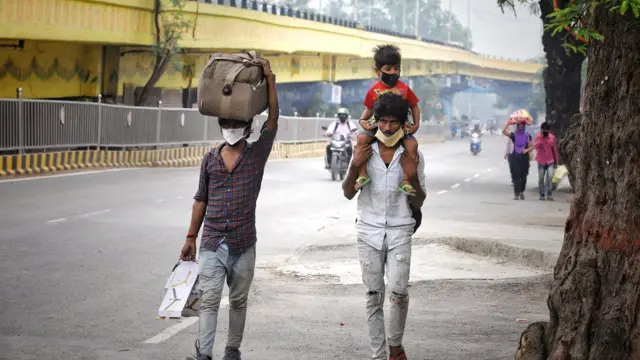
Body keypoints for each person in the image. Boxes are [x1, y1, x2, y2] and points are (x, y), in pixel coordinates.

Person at [180, 58, 279, 360]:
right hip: (212, 241)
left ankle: (232, 351)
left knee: (238, 301)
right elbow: (200, 199)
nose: (231, 129)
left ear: (248, 127)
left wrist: (271, 81)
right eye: (227, 124)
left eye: (236, 124)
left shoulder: (256, 155)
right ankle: (204, 355)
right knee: (209, 301)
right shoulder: (210, 159)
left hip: (243, 243)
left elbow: (273, 120)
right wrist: (190, 237)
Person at [342, 93, 427, 360]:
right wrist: (355, 165)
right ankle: (378, 355)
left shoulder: (412, 153)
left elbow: (419, 200)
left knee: (399, 291)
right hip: (368, 230)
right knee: (373, 294)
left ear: (403, 124)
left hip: (401, 230)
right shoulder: (364, 150)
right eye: (383, 122)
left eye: (394, 122)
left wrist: (412, 175)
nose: (388, 128)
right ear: (376, 121)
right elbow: (347, 192)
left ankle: (395, 346)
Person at [355, 44, 421, 196]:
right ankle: (362, 174)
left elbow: (414, 106)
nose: (393, 72)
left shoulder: (405, 89)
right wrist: (363, 121)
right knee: (361, 139)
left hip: (401, 127)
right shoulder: (373, 90)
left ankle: (405, 180)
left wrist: (415, 124)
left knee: (412, 145)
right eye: (388, 69)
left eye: (396, 69)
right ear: (378, 71)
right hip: (378, 127)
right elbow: (369, 109)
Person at [502, 120, 533, 200]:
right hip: (515, 157)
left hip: (524, 158)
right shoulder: (513, 135)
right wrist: (508, 123)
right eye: (519, 124)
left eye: (522, 124)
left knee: (524, 176)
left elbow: (532, 146)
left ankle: (522, 191)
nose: (521, 125)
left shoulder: (528, 135)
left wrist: (527, 150)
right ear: (517, 125)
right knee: (516, 175)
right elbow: (504, 132)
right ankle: (516, 194)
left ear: (524, 125)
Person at [534, 122, 559, 201]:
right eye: (544, 130)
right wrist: (541, 138)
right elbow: (536, 146)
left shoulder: (552, 138)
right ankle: (542, 194)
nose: (545, 132)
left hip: (550, 160)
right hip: (541, 160)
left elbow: (554, 150)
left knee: (549, 177)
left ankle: (549, 194)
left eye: (547, 130)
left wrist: (556, 162)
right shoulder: (538, 136)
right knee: (541, 178)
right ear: (541, 130)